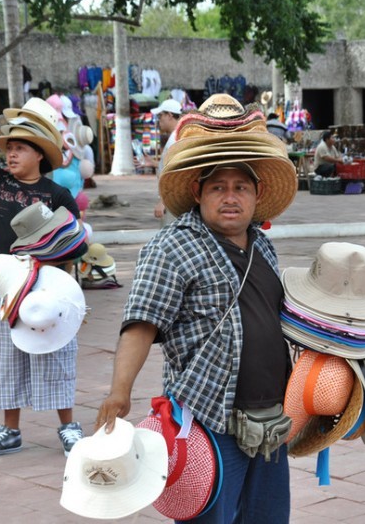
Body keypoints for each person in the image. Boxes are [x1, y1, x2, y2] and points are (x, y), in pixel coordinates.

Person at [95, 93, 297, 523]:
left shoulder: (264, 246)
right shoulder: (173, 246)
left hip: (271, 419)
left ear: (256, 194)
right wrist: (119, 391)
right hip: (207, 420)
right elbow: (141, 323)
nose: (230, 197)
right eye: (218, 187)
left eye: (240, 187)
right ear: (196, 191)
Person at [0, 71, 85, 458]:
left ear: (40, 154)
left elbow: (72, 247)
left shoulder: (57, 193)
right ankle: (9, 430)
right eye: (9, 147)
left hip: (47, 290)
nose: (10, 153)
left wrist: (69, 301)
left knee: (56, 352)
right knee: (6, 356)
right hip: (6, 287)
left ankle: (69, 426)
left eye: (20, 147)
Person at [152, 98, 182, 226]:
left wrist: (163, 201)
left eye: (160, 116)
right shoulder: (176, 136)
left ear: (169, 115)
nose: (159, 120)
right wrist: (153, 163)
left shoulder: (175, 140)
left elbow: (176, 174)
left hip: (172, 200)